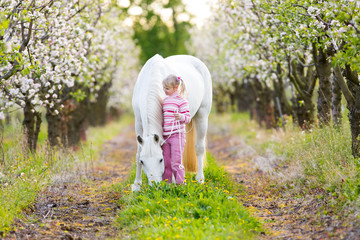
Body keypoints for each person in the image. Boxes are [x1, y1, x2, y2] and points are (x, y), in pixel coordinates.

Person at [161, 74, 191, 184]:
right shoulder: (164, 101)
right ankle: (166, 184)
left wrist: (181, 117)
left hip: (177, 136)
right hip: (165, 137)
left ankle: (180, 184)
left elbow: (188, 119)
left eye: (167, 88)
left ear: (175, 88)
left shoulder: (182, 101)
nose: (164, 90)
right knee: (166, 162)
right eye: (163, 88)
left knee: (176, 162)